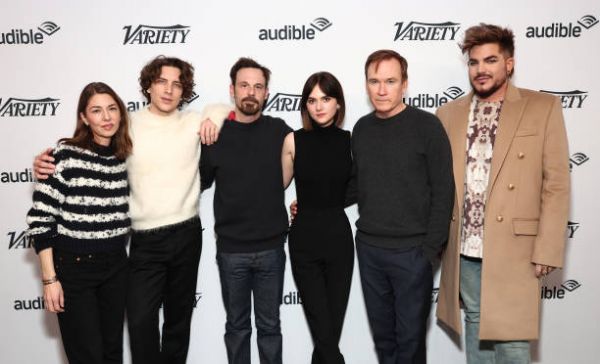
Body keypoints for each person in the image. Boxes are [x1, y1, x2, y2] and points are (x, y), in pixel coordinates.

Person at [33, 56, 222, 364]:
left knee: (173, 324)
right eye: (162, 81)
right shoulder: (125, 127)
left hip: (182, 236)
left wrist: (214, 115)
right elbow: (47, 211)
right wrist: (44, 162)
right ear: (148, 85)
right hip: (138, 244)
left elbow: (225, 111)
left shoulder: (191, 122)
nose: (169, 90)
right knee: (136, 324)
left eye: (177, 84)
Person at [435, 24, 570, 364]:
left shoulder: (542, 107)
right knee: (475, 324)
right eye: (474, 62)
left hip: (516, 247)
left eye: (490, 60)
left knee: (512, 339)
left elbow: (556, 184)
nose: (481, 69)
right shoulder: (447, 115)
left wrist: (547, 248)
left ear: (509, 64)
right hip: (465, 245)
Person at [348, 50, 454, 364]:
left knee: (410, 345)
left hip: (412, 254)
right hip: (369, 250)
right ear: (366, 85)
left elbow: (443, 190)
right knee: (384, 344)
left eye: (390, 81)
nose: (382, 89)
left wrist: (429, 251)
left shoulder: (427, 126)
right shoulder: (361, 129)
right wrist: (315, 200)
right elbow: (355, 185)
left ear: (404, 84)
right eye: (375, 81)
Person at [26, 82, 132, 364]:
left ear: (121, 113)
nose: (107, 117)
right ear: (84, 118)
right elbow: (41, 221)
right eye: (97, 111)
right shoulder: (64, 156)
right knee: (87, 357)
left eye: (112, 109)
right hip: (75, 269)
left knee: (112, 354)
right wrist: (49, 280)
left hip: (116, 267)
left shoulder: (125, 158)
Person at [200, 57, 292, 364]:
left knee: (269, 328)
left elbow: (315, 162)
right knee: (237, 329)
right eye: (244, 85)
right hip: (231, 251)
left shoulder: (280, 130)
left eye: (258, 86)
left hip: (271, 249)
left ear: (266, 93)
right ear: (232, 90)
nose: (250, 92)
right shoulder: (216, 134)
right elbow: (193, 182)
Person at [281, 72, 353, 364]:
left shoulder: (350, 141)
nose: (319, 106)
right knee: (323, 331)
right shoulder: (292, 140)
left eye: (326, 98)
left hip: (339, 240)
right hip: (304, 241)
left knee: (328, 334)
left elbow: (361, 188)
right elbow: (274, 187)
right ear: (305, 106)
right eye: (312, 100)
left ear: (338, 103)